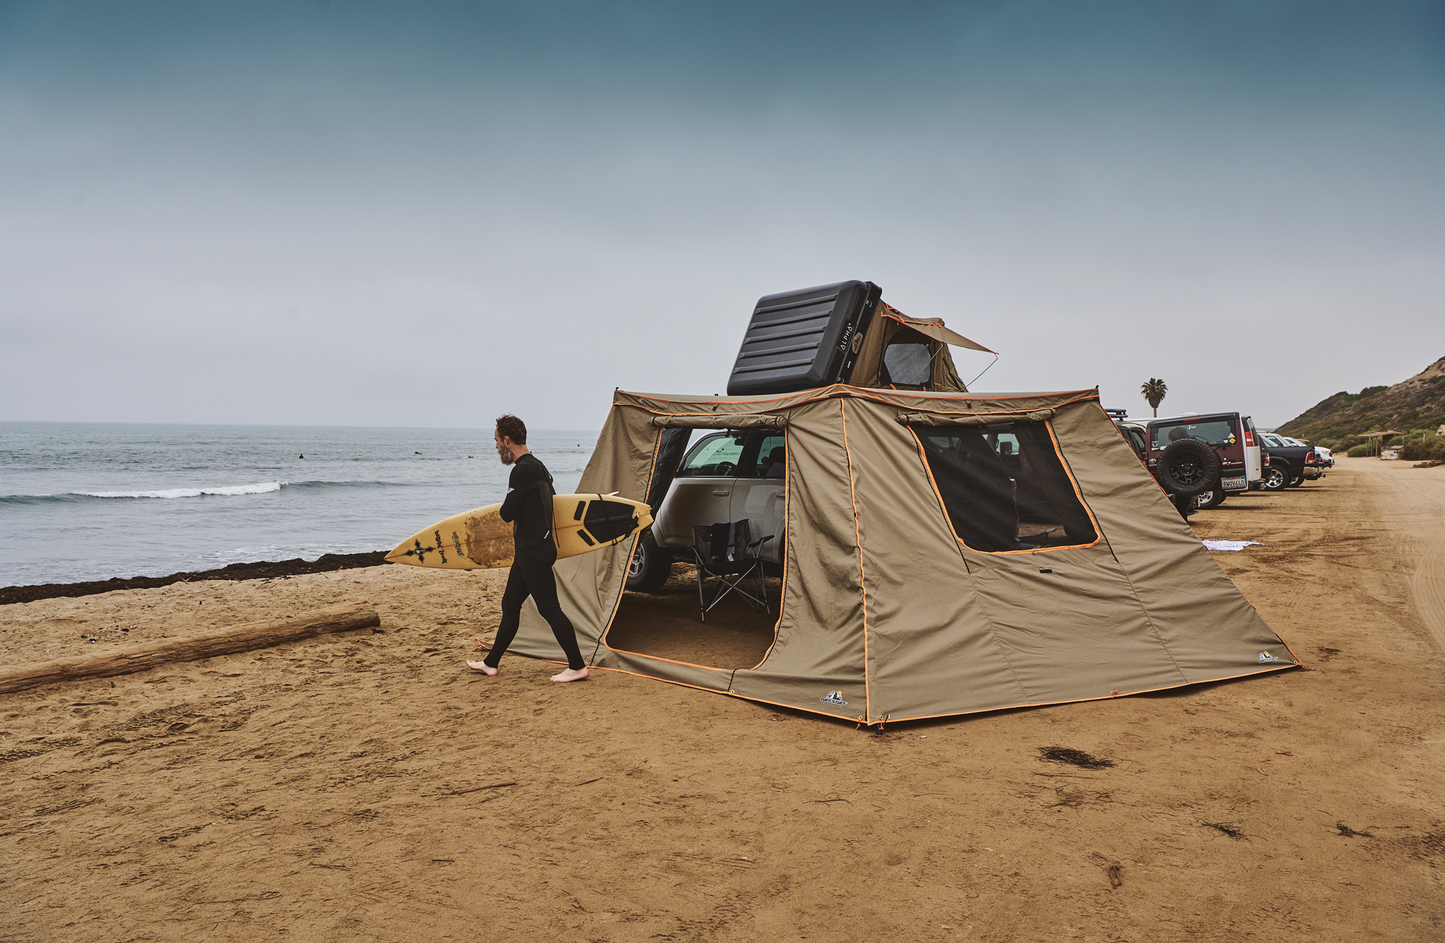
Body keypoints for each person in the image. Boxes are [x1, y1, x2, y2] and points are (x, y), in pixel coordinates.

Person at [466, 414, 589, 683]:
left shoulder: (521, 470)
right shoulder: (539, 467)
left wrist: (507, 500)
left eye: (497, 440)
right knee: (510, 605)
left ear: (507, 440)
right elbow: (551, 502)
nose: (496, 445)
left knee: (550, 609)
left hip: (533, 552)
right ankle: (491, 663)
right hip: (531, 551)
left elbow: (508, 513)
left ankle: (578, 666)